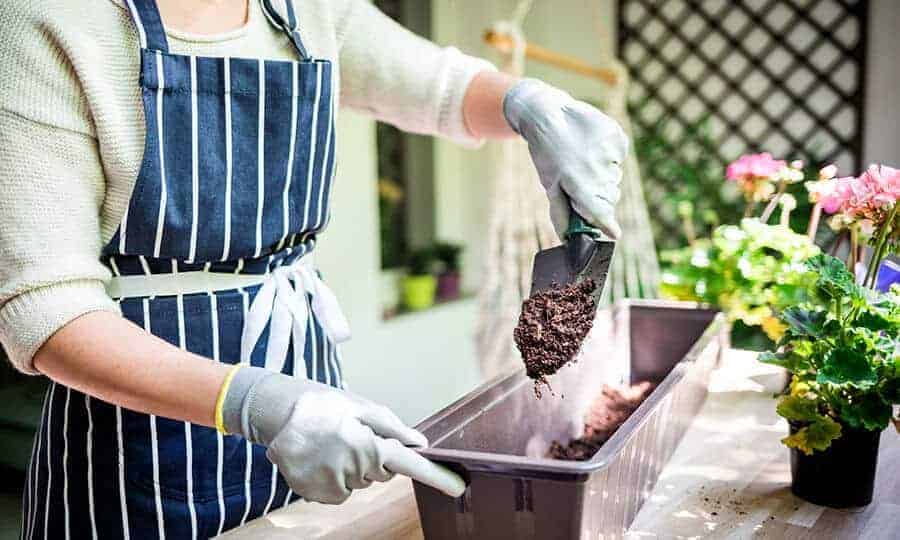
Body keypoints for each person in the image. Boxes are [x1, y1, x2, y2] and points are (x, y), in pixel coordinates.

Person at [0, 0, 628, 538]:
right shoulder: (48, 22)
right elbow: (45, 312)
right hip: (138, 443)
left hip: (311, 396)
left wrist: (526, 104)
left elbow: (440, 88)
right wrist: (259, 404)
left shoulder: (307, 8)